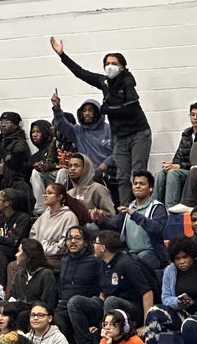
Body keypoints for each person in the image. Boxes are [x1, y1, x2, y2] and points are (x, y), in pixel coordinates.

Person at [50, 37, 151, 206]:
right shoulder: (104, 82)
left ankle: (142, 206)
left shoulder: (127, 82)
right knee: (122, 176)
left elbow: (130, 107)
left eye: (114, 63)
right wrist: (62, 55)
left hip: (138, 132)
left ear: (122, 67)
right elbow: (81, 73)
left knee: (138, 173)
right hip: (120, 135)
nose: (110, 66)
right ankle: (125, 210)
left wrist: (106, 109)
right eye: (107, 63)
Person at [66, 229, 153, 344]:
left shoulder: (127, 264)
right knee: (75, 302)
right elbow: (103, 293)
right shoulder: (102, 265)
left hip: (132, 309)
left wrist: (147, 323)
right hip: (109, 306)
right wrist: (97, 321)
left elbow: (147, 292)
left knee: (111, 301)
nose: (92, 246)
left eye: (95, 243)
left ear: (103, 247)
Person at [96, 171, 168, 269]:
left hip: (152, 253)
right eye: (135, 183)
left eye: (142, 184)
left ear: (150, 189)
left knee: (136, 261)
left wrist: (134, 214)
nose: (137, 186)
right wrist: (101, 220)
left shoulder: (157, 207)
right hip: (129, 252)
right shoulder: (129, 207)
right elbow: (115, 227)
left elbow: (156, 228)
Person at [154, 103, 197, 210]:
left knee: (173, 173)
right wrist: (170, 165)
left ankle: (170, 208)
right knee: (160, 174)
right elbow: (178, 156)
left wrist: (179, 166)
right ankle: (154, 208)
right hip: (182, 169)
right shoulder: (186, 135)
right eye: (192, 114)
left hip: (195, 173)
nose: (195, 117)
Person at [51, 93, 114, 188]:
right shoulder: (78, 131)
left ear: (97, 112)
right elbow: (61, 125)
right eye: (84, 111)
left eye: (90, 110)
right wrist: (57, 108)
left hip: (106, 174)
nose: (86, 113)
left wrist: (106, 163)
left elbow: (119, 151)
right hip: (84, 174)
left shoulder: (110, 129)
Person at [0, 111, 34, 214]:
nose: (3, 125)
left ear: (15, 125)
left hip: (11, 174)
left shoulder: (20, 143)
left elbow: (16, 161)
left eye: (7, 122)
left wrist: (4, 164)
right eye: (1, 122)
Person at [29, 183, 84, 264]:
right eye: (45, 193)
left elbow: (65, 243)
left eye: (49, 193)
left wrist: (45, 251)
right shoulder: (44, 215)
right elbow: (33, 234)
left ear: (60, 197)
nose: (45, 195)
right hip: (39, 256)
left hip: (57, 258)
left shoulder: (69, 217)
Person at [65, 152, 116, 221]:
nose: (72, 168)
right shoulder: (69, 193)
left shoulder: (98, 188)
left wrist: (94, 214)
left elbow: (111, 214)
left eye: (76, 166)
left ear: (85, 168)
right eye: (70, 166)